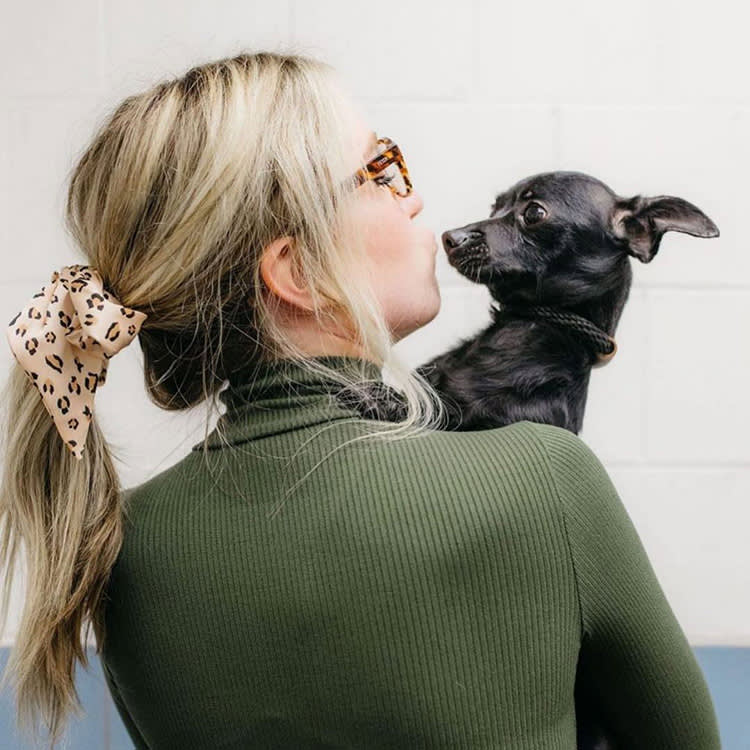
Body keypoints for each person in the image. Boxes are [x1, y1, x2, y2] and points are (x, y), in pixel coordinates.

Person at [0, 50, 721, 749]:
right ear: (299, 271)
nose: (417, 198)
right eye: (381, 170)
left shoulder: (117, 547)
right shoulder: (544, 478)